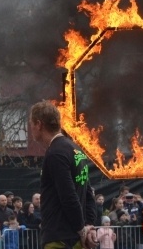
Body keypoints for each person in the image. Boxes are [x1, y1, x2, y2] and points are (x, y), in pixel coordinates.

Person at [29, 100, 98, 249]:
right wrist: (89, 225)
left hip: (60, 239)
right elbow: (88, 192)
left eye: (32, 124)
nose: (31, 129)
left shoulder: (55, 154)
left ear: (39, 124)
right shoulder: (75, 149)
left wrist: (82, 230)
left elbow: (68, 195)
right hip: (75, 239)